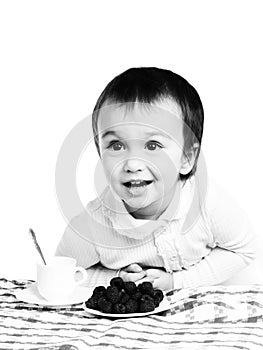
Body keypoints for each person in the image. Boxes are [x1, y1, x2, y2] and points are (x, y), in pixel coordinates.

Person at [56, 67, 255, 291]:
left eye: (153, 146)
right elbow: (63, 273)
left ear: (186, 157)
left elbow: (244, 250)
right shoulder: (92, 224)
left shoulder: (205, 201)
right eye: (116, 145)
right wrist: (118, 279)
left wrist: (178, 282)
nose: (132, 164)